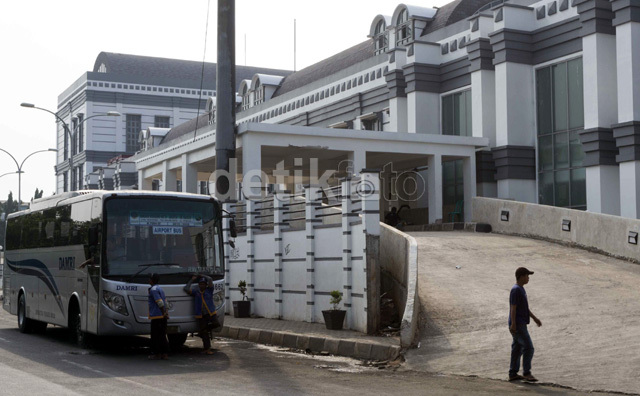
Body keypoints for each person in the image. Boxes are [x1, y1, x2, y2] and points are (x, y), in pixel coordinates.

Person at [508, 267, 542, 382]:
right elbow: (513, 308)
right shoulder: (516, 290)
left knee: (517, 348)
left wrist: (534, 318)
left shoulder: (521, 289)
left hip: (521, 323)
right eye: (527, 276)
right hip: (518, 324)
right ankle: (526, 373)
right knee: (528, 347)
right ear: (521, 276)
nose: (528, 278)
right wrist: (513, 324)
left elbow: (525, 308)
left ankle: (513, 373)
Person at [184, 274, 217, 355]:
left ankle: (203, 331)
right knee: (204, 333)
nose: (202, 286)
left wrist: (201, 275)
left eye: (203, 284)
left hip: (211, 313)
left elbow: (210, 278)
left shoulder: (210, 290)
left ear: (206, 285)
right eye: (200, 284)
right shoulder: (196, 292)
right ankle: (207, 348)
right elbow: (186, 288)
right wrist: (192, 280)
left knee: (216, 324)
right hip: (201, 315)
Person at [148, 273, 169, 360]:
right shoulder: (160, 288)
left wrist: (163, 312)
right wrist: (166, 313)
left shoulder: (153, 289)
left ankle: (157, 353)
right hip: (162, 316)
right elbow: (165, 302)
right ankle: (164, 353)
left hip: (157, 316)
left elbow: (159, 302)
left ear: (151, 280)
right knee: (162, 335)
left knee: (155, 336)